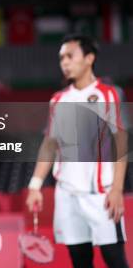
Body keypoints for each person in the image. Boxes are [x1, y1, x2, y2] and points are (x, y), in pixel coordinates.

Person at [26, 34, 128, 267]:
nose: (65, 62)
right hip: (67, 196)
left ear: (89, 58)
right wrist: (35, 186)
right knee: (80, 262)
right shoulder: (58, 100)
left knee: (116, 261)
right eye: (62, 58)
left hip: (101, 195)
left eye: (70, 56)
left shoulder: (108, 94)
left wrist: (117, 189)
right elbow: (49, 144)